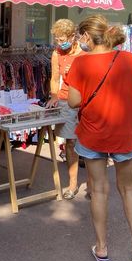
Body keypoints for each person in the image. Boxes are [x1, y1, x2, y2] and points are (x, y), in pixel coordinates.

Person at [67, 15, 132, 261]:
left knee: (98, 190)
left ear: (86, 36)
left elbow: (74, 101)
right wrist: (129, 97)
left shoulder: (80, 64)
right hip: (124, 134)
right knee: (129, 189)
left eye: (78, 36)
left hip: (92, 135)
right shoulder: (128, 59)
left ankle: (102, 248)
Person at [46, 19, 85, 200]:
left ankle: (93, 184)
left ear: (72, 36)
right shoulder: (57, 53)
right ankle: (72, 184)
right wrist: (54, 96)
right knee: (70, 143)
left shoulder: (84, 53)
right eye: (57, 40)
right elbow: (54, 78)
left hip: (85, 102)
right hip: (65, 101)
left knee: (87, 143)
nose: (60, 43)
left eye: (62, 39)